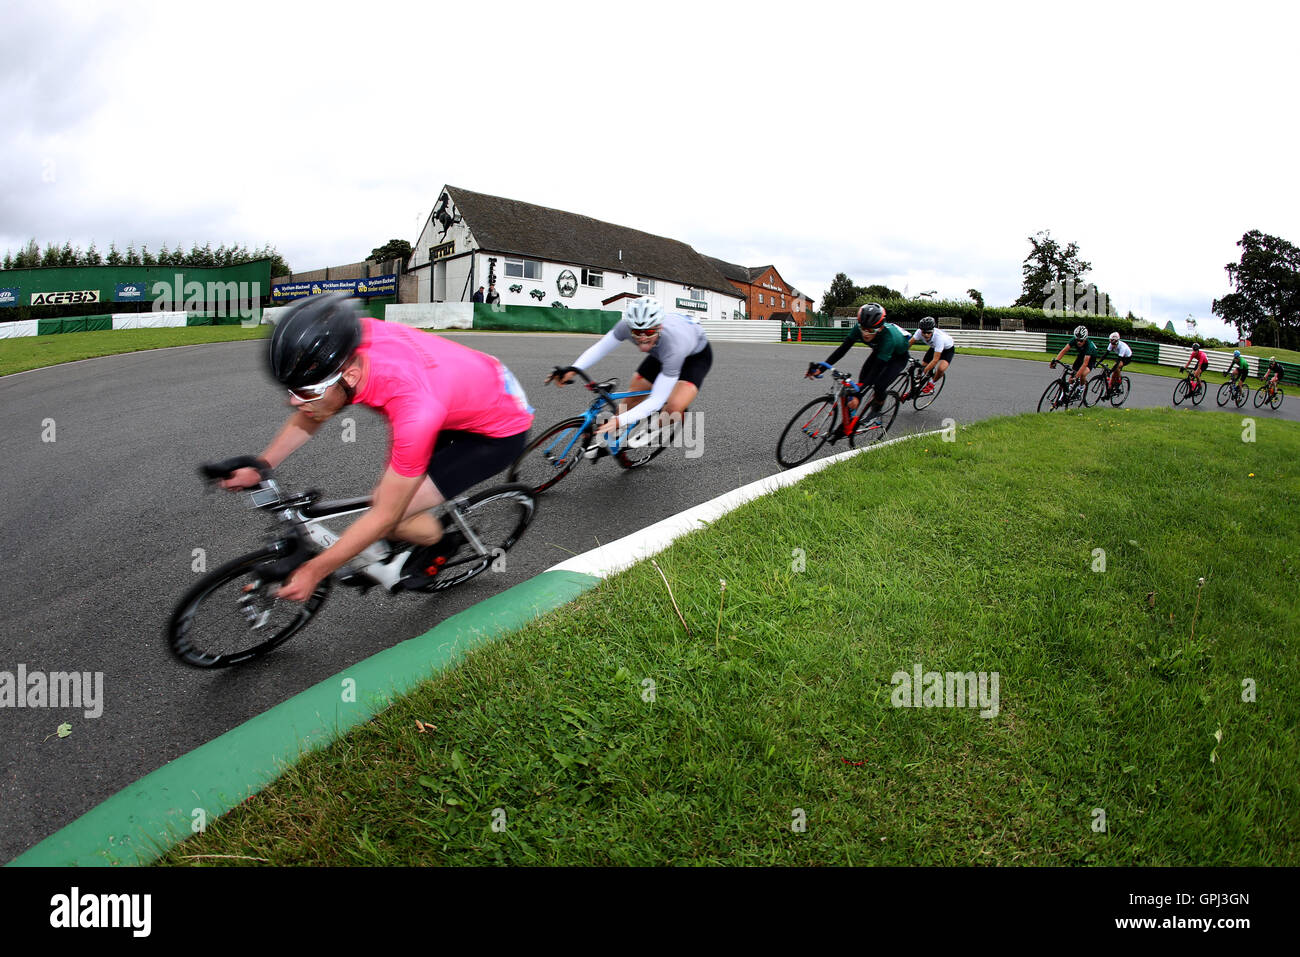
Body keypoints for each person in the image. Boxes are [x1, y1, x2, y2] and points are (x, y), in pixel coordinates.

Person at [220, 292, 533, 599]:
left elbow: (384, 514)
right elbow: (318, 407)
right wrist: (262, 466)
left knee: (392, 514)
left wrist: (316, 570)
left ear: (351, 376)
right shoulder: (348, 347)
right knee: (391, 496)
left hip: (498, 430)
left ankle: (440, 544)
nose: (292, 401)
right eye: (292, 390)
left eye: (304, 392)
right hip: (468, 385)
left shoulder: (415, 409)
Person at [550, 295, 711, 454]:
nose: (642, 338)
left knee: (674, 406)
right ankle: (611, 437)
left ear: (659, 328)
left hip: (694, 357)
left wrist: (619, 420)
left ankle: (651, 431)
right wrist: (572, 369)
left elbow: (656, 399)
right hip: (660, 353)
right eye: (637, 332)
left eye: (648, 331)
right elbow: (600, 348)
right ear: (630, 327)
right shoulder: (625, 326)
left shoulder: (674, 344)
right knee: (631, 398)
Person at [807, 302, 909, 431]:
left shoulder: (888, 338)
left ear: (881, 328)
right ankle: (849, 423)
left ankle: (875, 412)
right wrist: (821, 368)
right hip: (879, 352)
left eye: (871, 330)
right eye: (863, 328)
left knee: (879, 385)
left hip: (898, 358)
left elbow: (876, 370)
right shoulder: (859, 328)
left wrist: (858, 394)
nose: (866, 334)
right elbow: (842, 350)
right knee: (861, 383)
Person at [905, 317, 955, 397]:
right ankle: (914, 390)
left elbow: (935, 360)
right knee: (923, 366)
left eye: (928, 332)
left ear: (933, 330)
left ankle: (932, 383)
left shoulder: (939, 338)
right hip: (934, 347)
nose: (926, 335)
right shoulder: (919, 332)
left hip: (947, 349)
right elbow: (909, 343)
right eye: (924, 332)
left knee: (941, 368)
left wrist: (924, 372)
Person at [1049, 325, 1097, 401]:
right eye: (1077, 340)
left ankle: (1081, 388)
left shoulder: (1089, 346)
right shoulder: (1074, 340)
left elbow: (1085, 364)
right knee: (1072, 375)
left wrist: (1076, 377)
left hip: (1090, 358)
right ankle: (1067, 392)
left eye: (1081, 340)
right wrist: (1056, 361)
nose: (1078, 342)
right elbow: (1064, 350)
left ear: (1085, 339)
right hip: (1081, 355)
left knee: (1082, 374)